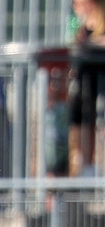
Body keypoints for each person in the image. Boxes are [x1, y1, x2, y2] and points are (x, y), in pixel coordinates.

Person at [69, 0, 105, 176]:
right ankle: (87, 166)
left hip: (101, 78)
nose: (75, 6)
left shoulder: (101, 21)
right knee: (83, 119)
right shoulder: (80, 25)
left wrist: (93, 42)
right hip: (85, 80)